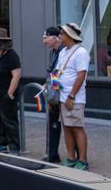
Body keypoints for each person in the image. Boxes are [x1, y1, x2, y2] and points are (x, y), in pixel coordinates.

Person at [57, 23, 90, 171]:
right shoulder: (63, 51)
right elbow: (58, 72)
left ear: (70, 36)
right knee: (67, 128)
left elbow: (81, 75)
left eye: (62, 34)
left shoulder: (81, 52)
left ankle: (82, 161)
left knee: (77, 128)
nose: (60, 36)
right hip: (62, 97)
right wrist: (54, 89)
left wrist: (71, 96)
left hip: (74, 98)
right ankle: (71, 158)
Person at [0, 27, 21, 155]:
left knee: (9, 120)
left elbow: (16, 75)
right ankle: (1, 143)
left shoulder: (11, 55)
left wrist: (10, 93)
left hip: (6, 93)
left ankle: (14, 147)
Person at [42, 26, 63, 163]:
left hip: (61, 92)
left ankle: (78, 157)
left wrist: (53, 90)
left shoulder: (62, 52)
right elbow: (52, 73)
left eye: (46, 37)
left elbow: (58, 72)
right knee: (53, 122)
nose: (44, 41)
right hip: (54, 90)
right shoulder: (53, 52)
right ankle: (53, 153)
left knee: (66, 125)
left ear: (56, 38)